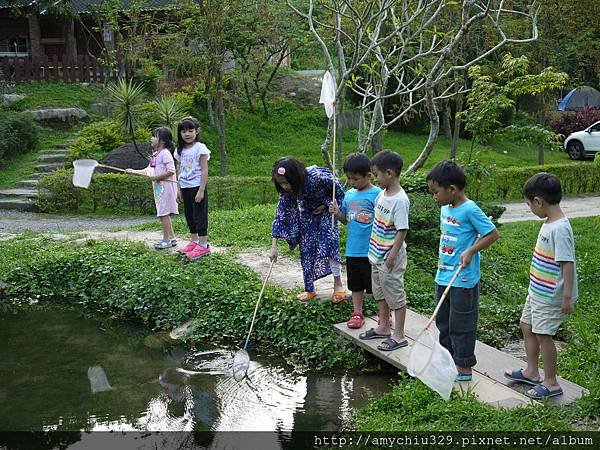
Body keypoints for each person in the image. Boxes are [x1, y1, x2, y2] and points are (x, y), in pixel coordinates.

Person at [504, 173, 577, 399]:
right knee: (526, 325)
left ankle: (551, 382)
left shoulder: (560, 229)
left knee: (543, 334)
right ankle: (532, 372)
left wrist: (566, 297)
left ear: (538, 201)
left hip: (551, 295)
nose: (530, 209)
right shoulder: (549, 223)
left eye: (529, 205)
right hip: (537, 290)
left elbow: (568, 264)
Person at [426, 160, 499, 381]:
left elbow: (492, 234)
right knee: (444, 322)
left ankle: (464, 367)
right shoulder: (445, 208)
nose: (434, 197)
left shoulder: (470, 209)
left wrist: (471, 250)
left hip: (463, 279)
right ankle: (447, 359)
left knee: (462, 324)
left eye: (436, 192)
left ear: (452, 190)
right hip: (444, 275)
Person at [269, 156, 346, 302]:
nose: (284, 187)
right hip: (307, 214)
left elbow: (339, 190)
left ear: (295, 176)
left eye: (286, 182)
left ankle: (338, 285)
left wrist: (327, 205)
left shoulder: (317, 176)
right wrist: (274, 247)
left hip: (326, 212)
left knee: (329, 244)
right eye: (281, 183)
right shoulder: (287, 191)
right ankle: (310, 289)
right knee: (306, 248)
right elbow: (281, 214)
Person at [358, 150, 410, 351]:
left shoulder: (400, 200)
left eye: (376, 174)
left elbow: (402, 231)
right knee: (380, 293)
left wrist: (392, 256)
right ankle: (383, 327)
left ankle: (399, 335)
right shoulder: (382, 194)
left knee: (395, 295)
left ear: (389, 174)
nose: (375, 179)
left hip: (390, 257)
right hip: (376, 255)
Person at [329, 153, 381, 328]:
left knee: (376, 286)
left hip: (372, 250)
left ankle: (384, 315)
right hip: (353, 249)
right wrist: (337, 212)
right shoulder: (349, 195)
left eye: (356, 179)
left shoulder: (378, 194)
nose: (352, 182)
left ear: (369, 175)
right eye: (349, 178)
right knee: (356, 285)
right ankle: (357, 313)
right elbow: (345, 219)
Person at [126, 127, 178, 250]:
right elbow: (149, 171)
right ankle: (172, 238)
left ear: (162, 141)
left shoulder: (165, 153)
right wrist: (133, 171)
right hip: (160, 189)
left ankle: (166, 240)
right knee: (163, 213)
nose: (151, 138)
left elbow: (171, 171)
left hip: (166, 189)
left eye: (154, 136)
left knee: (163, 213)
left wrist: (157, 178)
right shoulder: (156, 155)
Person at [174, 117, 212, 260]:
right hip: (185, 186)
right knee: (189, 215)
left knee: (199, 215)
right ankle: (194, 240)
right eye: (183, 131)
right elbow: (179, 170)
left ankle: (203, 245)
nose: (187, 134)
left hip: (197, 186)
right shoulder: (180, 150)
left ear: (197, 131)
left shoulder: (200, 148)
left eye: (190, 130)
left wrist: (201, 190)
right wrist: (178, 189)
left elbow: (204, 170)